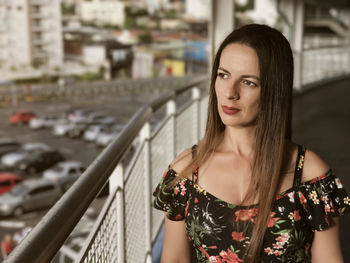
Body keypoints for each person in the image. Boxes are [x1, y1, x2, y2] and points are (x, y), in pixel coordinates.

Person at [152, 24, 350, 262]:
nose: (229, 92)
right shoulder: (185, 172)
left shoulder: (311, 175)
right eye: (223, 75)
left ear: (273, 91)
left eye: (248, 82)